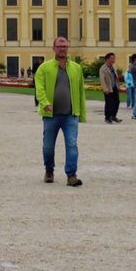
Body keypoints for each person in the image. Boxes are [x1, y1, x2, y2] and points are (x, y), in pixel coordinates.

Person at [34, 37, 86, 186]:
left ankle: (71, 175)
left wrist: (81, 112)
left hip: (70, 114)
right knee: (48, 146)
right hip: (51, 115)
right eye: (59, 46)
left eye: (64, 46)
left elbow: (80, 91)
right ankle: (49, 169)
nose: (62, 49)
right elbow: (40, 88)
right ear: (53, 48)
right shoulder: (45, 67)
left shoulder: (76, 68)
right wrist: (44, 103)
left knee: (72, 145)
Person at [99, 52, 122, 124]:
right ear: (108, 59)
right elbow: (102, 79)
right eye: (112, 58)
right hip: (108, 88)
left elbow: (115, 77)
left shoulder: (113, 67)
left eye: (114, 58)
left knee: (117, 102)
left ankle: (113, 116)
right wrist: (105, 89)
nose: (114, 59)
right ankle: (107, 117)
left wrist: (118, 86)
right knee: (109, 103)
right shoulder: (103, 68)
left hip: (114, 87)